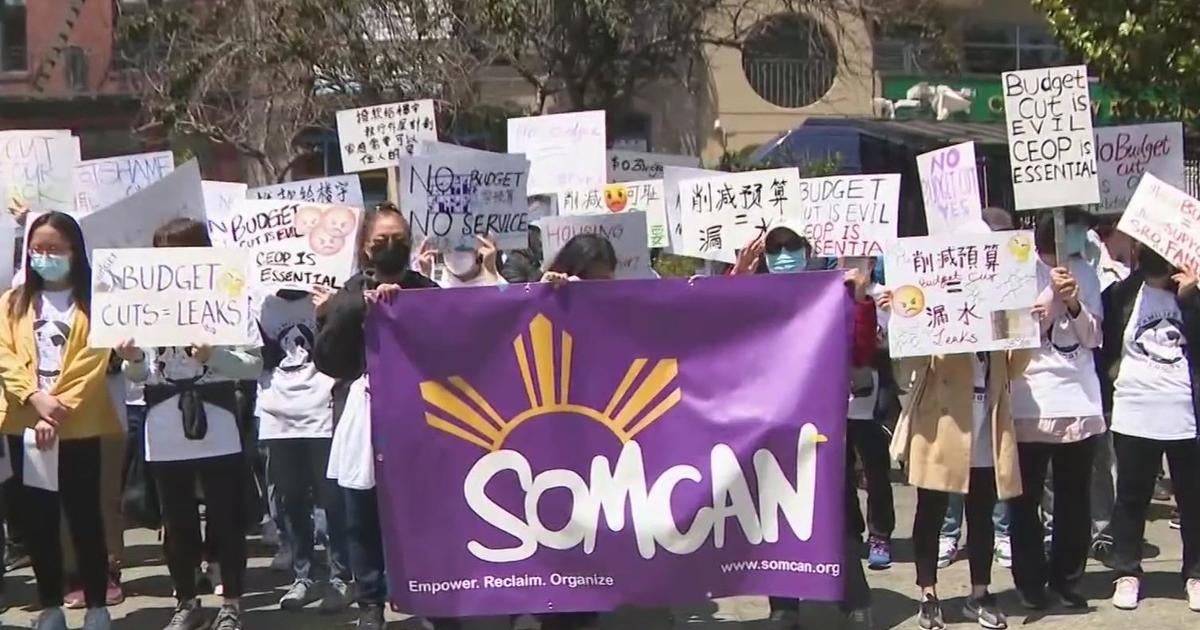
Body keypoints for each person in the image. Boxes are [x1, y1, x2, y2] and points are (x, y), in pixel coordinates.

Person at [313, 202, 464, 630]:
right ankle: (370, 604)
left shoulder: (427, 292)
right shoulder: (347, 296)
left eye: (398, 239)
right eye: (381, 241)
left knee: (425, 513)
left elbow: (454, 346)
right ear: (365, 248)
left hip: (424, 420)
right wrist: (359, 309)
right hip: (367, 417)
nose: (390, 247)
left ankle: (433, 596)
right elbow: (328, 359)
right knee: (362, 514)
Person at [730, 225, 878, 630]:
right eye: (775, 250)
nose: (784, 256)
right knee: (774, 512)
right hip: (768, 424)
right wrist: (738, 275)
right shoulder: (753, 294)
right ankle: (784, 606)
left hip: (823, 425)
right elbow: (719, 322)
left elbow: (861, 352)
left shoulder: (833, 293)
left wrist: (861, 296)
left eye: (791, 248)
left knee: (836, 507)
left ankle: (855, 599)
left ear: (807, 250)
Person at [117, 218, 262, 630]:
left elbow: (252, 365)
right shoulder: (146, 303)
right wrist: (133, 359)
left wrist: (213, 355)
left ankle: (232, 602)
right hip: (164, 425)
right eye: (164, 254)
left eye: (183, 252)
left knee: (225, 517)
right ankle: (186, 601)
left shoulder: (230, 296)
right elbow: (140, 375)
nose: (174, 262)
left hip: (216, 421)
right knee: (176, 522)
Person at [886, 208, 1027, 630]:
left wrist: (1027, 322)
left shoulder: (1003, 302)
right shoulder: (934, 300)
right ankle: (928, 593)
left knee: (982, 512)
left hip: (987, 423)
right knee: (930, 509)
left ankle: (979, 593)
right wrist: (901, 316)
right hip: (941, 425)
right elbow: (909, 364)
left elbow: (1015, 365)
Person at [0, 211, 120, 630]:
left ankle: (96, 607)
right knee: (39, 519)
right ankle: (50, 605)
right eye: (37, 249)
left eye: (53, 249)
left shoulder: (96, 301)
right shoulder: (12, 303)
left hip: (80, 425)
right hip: (27, 425)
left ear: (75, 252)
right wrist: (34, 400)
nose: (44, 256)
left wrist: (58, 405)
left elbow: (93, 361)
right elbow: (5, 357)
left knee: (85, 516)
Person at [1006, 211, 1105, 610]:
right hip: (1031, 399)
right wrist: (1051, 292)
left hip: (1078, 399)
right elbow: (1019, 332)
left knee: (1073, 497)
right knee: (1025, 498)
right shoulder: (1020, 267)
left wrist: (1076, 303)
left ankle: (1067, 579)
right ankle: (1030, 582)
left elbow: (1094, 336)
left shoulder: (1087, 273)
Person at [1099, 246, 1200, 612]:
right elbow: (1104, 344)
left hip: (1185, 412)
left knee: (1192, 497)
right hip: (1135, 410)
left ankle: (1195, 573)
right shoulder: (1122, 294)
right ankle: (1126, 571)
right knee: (1130, 497)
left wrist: (1191, 300)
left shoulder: (1191, 293)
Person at [257, 285, 351, 613]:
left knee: (333, 500)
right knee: (291, 500)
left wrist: (330, 313)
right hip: (276, 414)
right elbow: (252, 356)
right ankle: (304, 576)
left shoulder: (328, 292)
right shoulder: (261, 301)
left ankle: (342, 576)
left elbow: (347, 347)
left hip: (322, 410)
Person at [415, 235, 507, 288]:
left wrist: (491, 270)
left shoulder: (493, 279)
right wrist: (427, 275)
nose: (456, 248)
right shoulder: (439, 276)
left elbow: (510, 299)